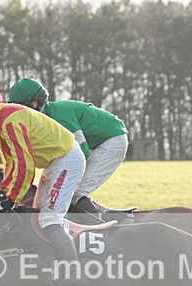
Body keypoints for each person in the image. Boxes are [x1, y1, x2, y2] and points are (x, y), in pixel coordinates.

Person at [0, 79, 87, 286]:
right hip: (55, 161)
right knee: (36, 215)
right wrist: (5, 194)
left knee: (50, 219)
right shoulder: (0, 121)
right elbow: (11, 164)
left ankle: (75, 274)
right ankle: (49, 265)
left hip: (66, 159)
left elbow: (24, 165)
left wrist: (10, 199)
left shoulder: (8, 121)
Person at [7, 78, 128, 215]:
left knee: (76, 193)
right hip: (99, 141)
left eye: (20, 107)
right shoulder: (43, 118)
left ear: (35, 103)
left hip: (112, 141)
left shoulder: (60, 117)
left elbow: (82, 152)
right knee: (62, 192)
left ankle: (101, 226)